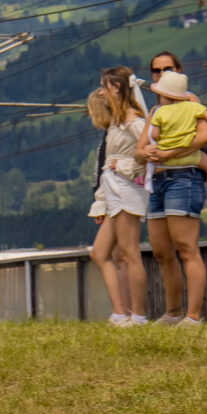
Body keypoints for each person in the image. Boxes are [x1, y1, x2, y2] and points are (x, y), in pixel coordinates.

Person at [137, 68, 207, 327]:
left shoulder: (190, 107)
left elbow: (205, 136)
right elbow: (139, 151)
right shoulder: (157, 112)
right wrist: (146, 153)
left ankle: (192, 315)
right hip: (158, 180)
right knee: (161, 250)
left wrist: (170, 153)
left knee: (186, 246)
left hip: (183, 178)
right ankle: (173, 312)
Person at [85, 84, 148, 326]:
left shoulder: (132, 123)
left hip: (126, 192)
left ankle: (137, 315)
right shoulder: (114, 128)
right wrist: (101, 204)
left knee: (129, 253)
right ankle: (120, 313)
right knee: (99, 253)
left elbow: (147, 153)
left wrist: (123, 166)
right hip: (114, 195)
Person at [148, 52, 207, 198]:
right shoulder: (158, 109)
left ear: (179, 70)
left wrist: (166, 152)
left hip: (181, 167)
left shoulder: (186, 100)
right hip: (169, 169)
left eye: (168, 69)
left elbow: (205, 135)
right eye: (156, 70)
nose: (162, 73)